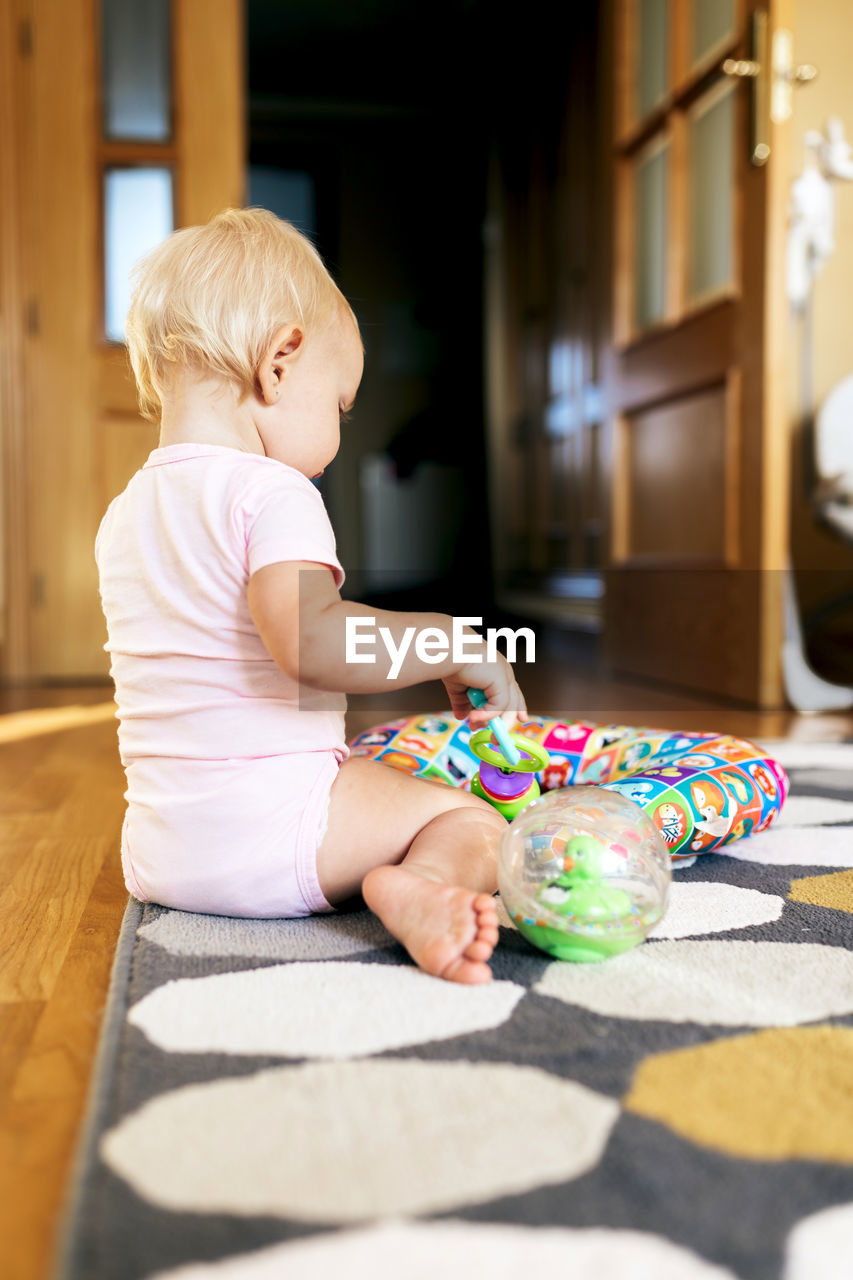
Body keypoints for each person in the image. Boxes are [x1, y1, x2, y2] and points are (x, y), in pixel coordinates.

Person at [96, 208, 527, 986]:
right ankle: (421, 890)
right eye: (340, 404)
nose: (339, 429)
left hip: (161, 855)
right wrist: (454, 642)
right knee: (465, 817)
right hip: (274, 840)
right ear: (280, 363)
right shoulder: (270, 491)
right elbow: (313, 642)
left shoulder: (127, 512)